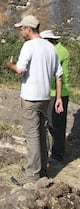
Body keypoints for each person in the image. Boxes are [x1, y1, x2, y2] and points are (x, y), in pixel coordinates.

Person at [6, 15, 64, 184]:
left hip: (31, 97)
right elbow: (59, 74)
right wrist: (58, 98)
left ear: (28, 29)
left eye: (21, 28)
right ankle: (43, 169)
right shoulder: (50, 47)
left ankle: (32, 174)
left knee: (32, 135)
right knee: (42, 132)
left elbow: (20, 70)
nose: (20, 32)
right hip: (45, 97)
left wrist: (10, 65)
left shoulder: (29, 46)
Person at [40, 30, 71, 163]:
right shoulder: (59, 50)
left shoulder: (57, 52)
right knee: (54, 123)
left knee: (55, 124)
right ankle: (58, 150)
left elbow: (53, 74)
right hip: (55, 91)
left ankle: (57, 154)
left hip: (57, 93)